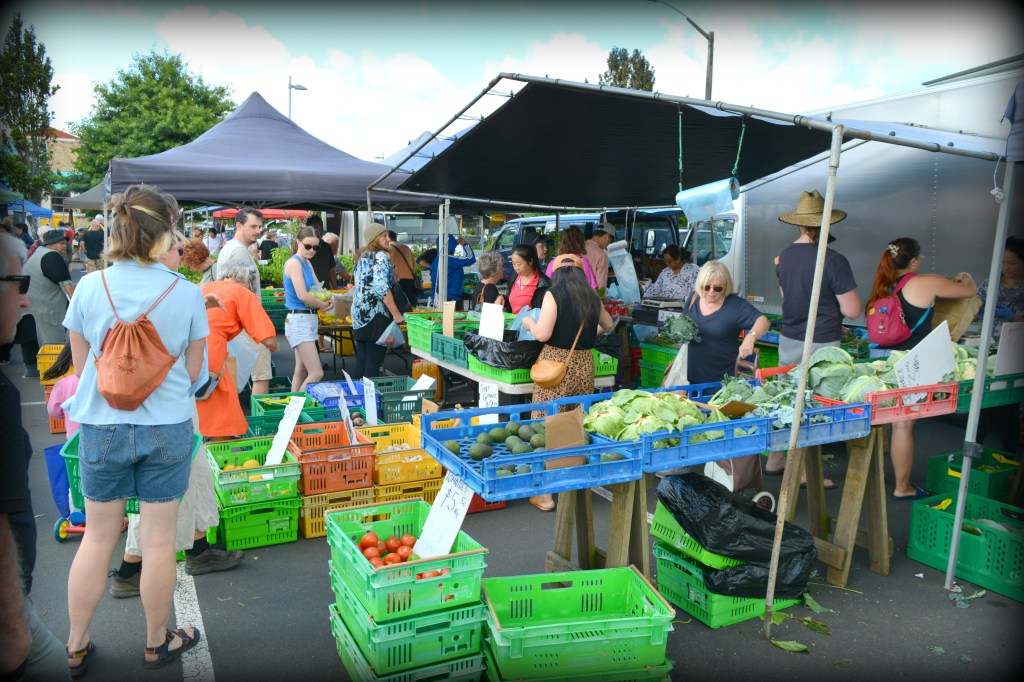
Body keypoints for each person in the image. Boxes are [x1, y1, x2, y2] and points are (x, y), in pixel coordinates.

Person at [61, 184, 207, 674]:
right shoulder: (185, 292)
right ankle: (155, 642)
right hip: (167, 427)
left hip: (101, 427)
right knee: (159, 540)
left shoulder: (89, 287)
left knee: (97, 538)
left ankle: (76, 644)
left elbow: (81, 368)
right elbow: (195, 375)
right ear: (165, 231)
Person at [109, 238, 248, 599]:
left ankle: (199, 550)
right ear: (158, 250)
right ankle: (130, 568)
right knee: (158, 494)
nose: (182, 255)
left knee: (195, 476)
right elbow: (194, 374)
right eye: (177, 249)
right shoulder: (175, 290)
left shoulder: (117, 284)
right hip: (164, 410)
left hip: (150, 409)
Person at [866, 238, 977, 499]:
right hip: (910, 361)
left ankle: (873, 475)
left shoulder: (883, 283)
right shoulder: (925, 282)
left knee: (879, 422)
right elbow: (969, 292)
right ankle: (902, 487)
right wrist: (965, 276)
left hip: (880, 358)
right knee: (903, 426)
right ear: (914, 261)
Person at [765, 190, 861, 487]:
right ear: (827, 224)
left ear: (799, 224)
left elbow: (789, 298)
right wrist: (833, 316)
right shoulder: (834, 260)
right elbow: (852, 310)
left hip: (790, 336)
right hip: (821, 342)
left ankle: (775, 459)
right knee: (812, 405)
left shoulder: (783, 257)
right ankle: (805, 473)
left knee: (787, 397)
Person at [522, 254, 614, 512]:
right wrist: (586, 336)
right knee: (574, 424)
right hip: (584, 364)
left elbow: (543, 334)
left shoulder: (553, 294)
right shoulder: (592, 296)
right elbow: (607, 325)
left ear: (555, 273)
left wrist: (529, 323)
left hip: (556, 365)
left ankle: (545, 495)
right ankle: (572, 483)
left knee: (545, 424)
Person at [683, 261, 770, 493]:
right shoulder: (692, 299)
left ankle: (727, 479)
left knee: (721, 431)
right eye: (706, 287)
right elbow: (683, 327)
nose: (711, 292)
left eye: (718, 288)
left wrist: (750, 337)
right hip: (693, 378)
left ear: (726, 287)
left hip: (722, 381)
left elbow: (763, 321)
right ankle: (709, 476)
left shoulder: (734, 305)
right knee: (698, 426)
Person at [196, 258, 279, 438]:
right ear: (247, 279)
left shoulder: (206, 286)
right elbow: (268, 338)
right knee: (220, 409)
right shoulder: (242, 293)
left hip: (190, 348)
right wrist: (275, 346)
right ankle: (215, 449)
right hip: (213, 352)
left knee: (198, 406)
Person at [216, 208, 272, 397]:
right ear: (239, 226)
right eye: (253, 226)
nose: (258, 231)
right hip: (247, 325)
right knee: (261, 375)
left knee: (237, 376)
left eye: (259, 226)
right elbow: (240, 293)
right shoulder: (238, 251)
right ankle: (258, 415)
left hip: (239, 325)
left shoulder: (234, 248)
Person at [976, 236, 1024, 453]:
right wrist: (977, 312)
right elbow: (973, 308)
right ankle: (975, 452)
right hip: (989, 349)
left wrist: (1012, 317)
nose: (1006, 267)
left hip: (1015, 354)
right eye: (1002, 262)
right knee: (982, 405)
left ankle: (1010, 456)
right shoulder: (991, 284)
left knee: (1009, 408)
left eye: (1012, 263)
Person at [352, 223, 406, 380]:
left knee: (362, 361)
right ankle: (368, 395)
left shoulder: (362, 256)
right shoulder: (380, 256)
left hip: (359, 315)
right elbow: (381, 288)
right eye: (384, 236)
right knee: (373, 364)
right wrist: (396, 314)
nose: (388, 239)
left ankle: (354, 393)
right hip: (376, 315)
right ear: (374, 238)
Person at [284, 225, 334, 390]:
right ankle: (299, 404)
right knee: (316, 373)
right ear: (298, 242)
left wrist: (327, 300)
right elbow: (303, 295)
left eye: (315, 247)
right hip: (299, 320)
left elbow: (317, 289)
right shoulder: (294, 263)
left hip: (306, 318)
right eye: (308, 246)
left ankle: (294, 404)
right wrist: (323, 305)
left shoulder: (306, 263)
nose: (312, 250)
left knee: (301, 371)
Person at [23, 228, 75, 348]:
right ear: (50, 244)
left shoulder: (39, 253)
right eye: (61, 243)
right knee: (52, 352)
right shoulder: (52, 256)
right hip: (46, 316)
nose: (65, 246)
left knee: (31, 352)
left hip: (29, 315)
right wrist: (81, 310)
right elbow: (68, 288)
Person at [429, 234, 476, 306]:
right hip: (450, 298)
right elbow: (471, 258)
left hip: (438, 297)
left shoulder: (436, 260)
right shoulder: (449, 260)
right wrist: (465, 244)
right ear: (450, 247)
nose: (455, 249)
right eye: (454, 247)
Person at [503, 244, 551, 314]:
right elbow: (509, 300)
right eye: (513, 264)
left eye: (519, 264)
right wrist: (502, 298)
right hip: (513, 320)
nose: (516, 268)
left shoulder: (544, 284)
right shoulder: (514, 279)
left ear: (530, 261)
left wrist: (534, 311)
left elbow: (548, 311)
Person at [305, 215, 337, 289]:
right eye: (316, 227)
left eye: (321, 227)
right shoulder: (303, 247)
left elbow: (331, 270)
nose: (319, 230)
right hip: (307, 290)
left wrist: (335, 289)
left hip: (324, 290)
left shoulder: (326, 247)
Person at [388, 230, 418, 305]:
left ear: (388, 238)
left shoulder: (387, 249)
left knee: (398, 305)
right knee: (411, 304)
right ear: (395, 238)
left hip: (396, 281)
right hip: (409, 281)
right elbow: (414, 265)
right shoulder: (406, 248)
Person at [585, 224, 614, 290]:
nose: (607, 246)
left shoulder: (579, 247)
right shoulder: (601, 255)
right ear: (606, 237)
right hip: (590, 295)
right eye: (609, 242)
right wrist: (604, 295)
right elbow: (601, 287)